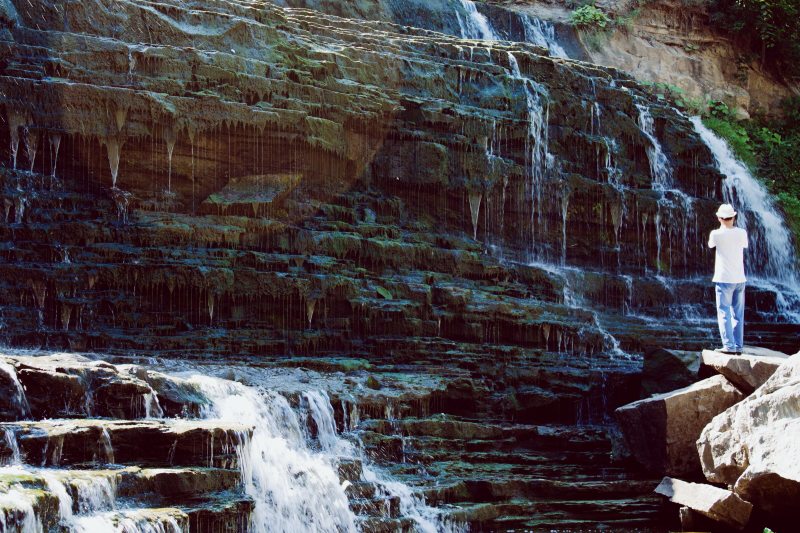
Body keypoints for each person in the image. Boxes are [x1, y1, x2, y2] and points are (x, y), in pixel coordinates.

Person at [708, 203, 748, 355]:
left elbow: (711, 245)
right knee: (738, 314)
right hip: (739, 278)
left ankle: (729, 346)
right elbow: (744, 245)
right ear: (734, 217)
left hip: (723, 278)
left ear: (719, 218)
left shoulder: (715, 234)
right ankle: (738, 346)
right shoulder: (742, 232)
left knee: (724, 312)